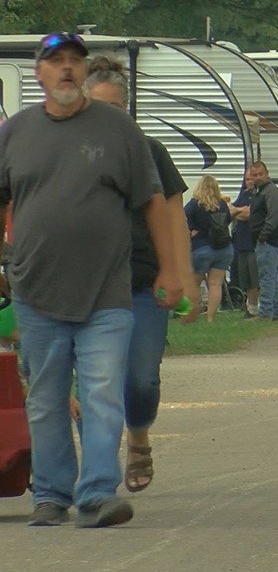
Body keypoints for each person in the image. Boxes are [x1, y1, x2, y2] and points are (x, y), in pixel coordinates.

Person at [0, 31, 183, 527]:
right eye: (55, 61)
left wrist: (170, 269)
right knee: (46, 396)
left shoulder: (118, 131)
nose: (65, 69)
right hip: (36, 290)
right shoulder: (15, 132)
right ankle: (52, 495)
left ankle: (98, 493)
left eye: (74, 61)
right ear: (38, 73)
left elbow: (154, 203)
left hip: (107, 290)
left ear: (84, 71)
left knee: (103, 391)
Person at [84, 55, 195, 495]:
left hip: (145, 282)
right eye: (99, 107)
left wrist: (184, 276)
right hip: (91, 287)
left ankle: (140, 436)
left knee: (141, 379)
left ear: (127, 110)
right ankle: (99, 473)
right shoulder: (75, 154)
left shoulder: (150, 151)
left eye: (115, 108)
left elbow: (173, 216)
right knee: (100, 379)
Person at [184, 175, 234, 322]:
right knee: (215, 284)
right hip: (223, 248)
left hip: (201, 248)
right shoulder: (222, 204)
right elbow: (227, 221)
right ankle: (210, 317)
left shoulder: (194, 204)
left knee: (193, 285)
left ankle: (188, 315)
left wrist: (192, 231)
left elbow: (183, 220)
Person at [248, 160, 278, 321]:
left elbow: (273, 217)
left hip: (269, 241)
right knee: (271, 276)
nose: (258, 178)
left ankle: (265, 312)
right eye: (254, 175)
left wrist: (263, 236)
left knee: (266, 277)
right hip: (267, 240)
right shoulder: (260, 192)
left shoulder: (271, 192)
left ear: (267, 173)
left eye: (260, 174)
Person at [229, 169, 260, 317]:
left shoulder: (258, 196)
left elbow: (251, 215)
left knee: (255, 278)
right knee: (245, 279)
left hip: (253, 244)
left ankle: (256, 307)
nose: (249, 182)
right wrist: (241, 211)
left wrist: (238, 213)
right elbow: (230, 211)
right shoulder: (243, 194)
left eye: (251, 178)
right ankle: (249, 307)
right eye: (247, 179)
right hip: (240, 244)